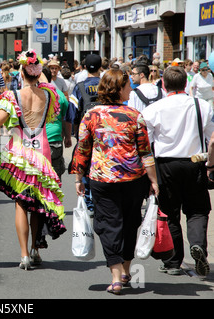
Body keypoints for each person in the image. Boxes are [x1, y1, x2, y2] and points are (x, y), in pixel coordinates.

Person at [70, 69, 159, 294]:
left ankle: (117, 277)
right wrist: (153, 180)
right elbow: (145, 152)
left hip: (102, 178)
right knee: (130, 224)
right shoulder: (135, 115)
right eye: (128, 86)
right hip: (134, 180)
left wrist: (78, 179)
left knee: (109, 225)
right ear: (118, 89)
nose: (131, 89)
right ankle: (126, 270)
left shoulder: (91, 115)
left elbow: (82, 149)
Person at [0, 49, 66, 270]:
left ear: (21, 72)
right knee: (37, 203)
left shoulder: (13, 96)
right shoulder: (49, 95)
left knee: (21, 202)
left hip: (20, 151)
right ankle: (36, 250)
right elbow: (52, 110)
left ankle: (24, 255)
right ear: (38, 73)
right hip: (43, 151)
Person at [142, 66, 214, 277]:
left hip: (165, 165)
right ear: (186, 83)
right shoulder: (202, 105)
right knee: (198, 210)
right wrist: (210, 165)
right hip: (195, 163)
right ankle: (198, 245)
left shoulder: (154, 108)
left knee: (169, 212)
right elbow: (212, 139)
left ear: (163, 84)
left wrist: (148, 174)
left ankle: (173, 261)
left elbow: (146, 144)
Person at [68, 54, 102, 213]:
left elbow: (72, 114)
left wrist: (73, 133)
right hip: (106, 133)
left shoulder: (79, 87)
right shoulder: (107, 85)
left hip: (86, 133)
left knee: (86, 163)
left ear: (85, 67)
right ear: (101, 67)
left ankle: (89, 204)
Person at [42, 66, 72, 180]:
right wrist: (68, 137)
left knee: (37, 179)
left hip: (35, 141)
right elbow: (65, 119)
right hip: (54, 140)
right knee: (54, 177)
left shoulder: (30, 94)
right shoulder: (59, 94)